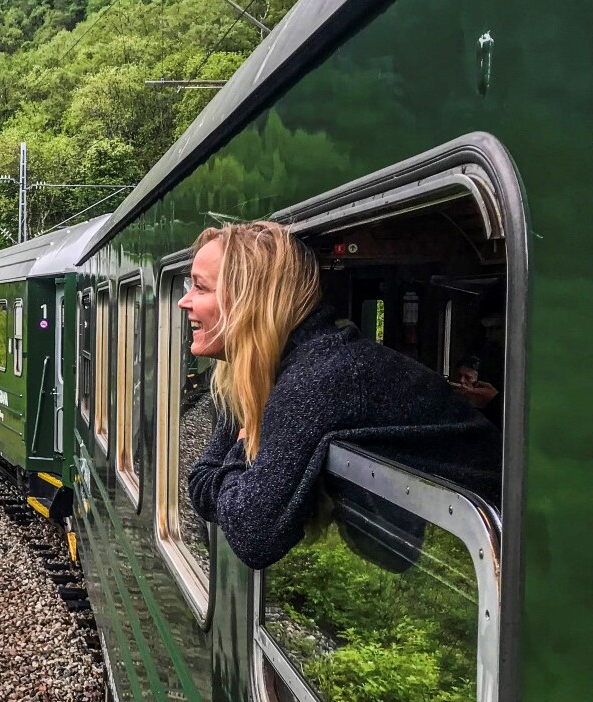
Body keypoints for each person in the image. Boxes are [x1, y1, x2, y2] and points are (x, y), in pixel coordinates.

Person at [181, 222, 502, 570]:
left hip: (506, 546)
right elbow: (200, 481)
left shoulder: (319, 376)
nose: (185, 301)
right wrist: (241, 472)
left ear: (250, 301)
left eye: (200, 287)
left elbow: (252, 535)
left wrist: (244, 452)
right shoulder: (271, 369)